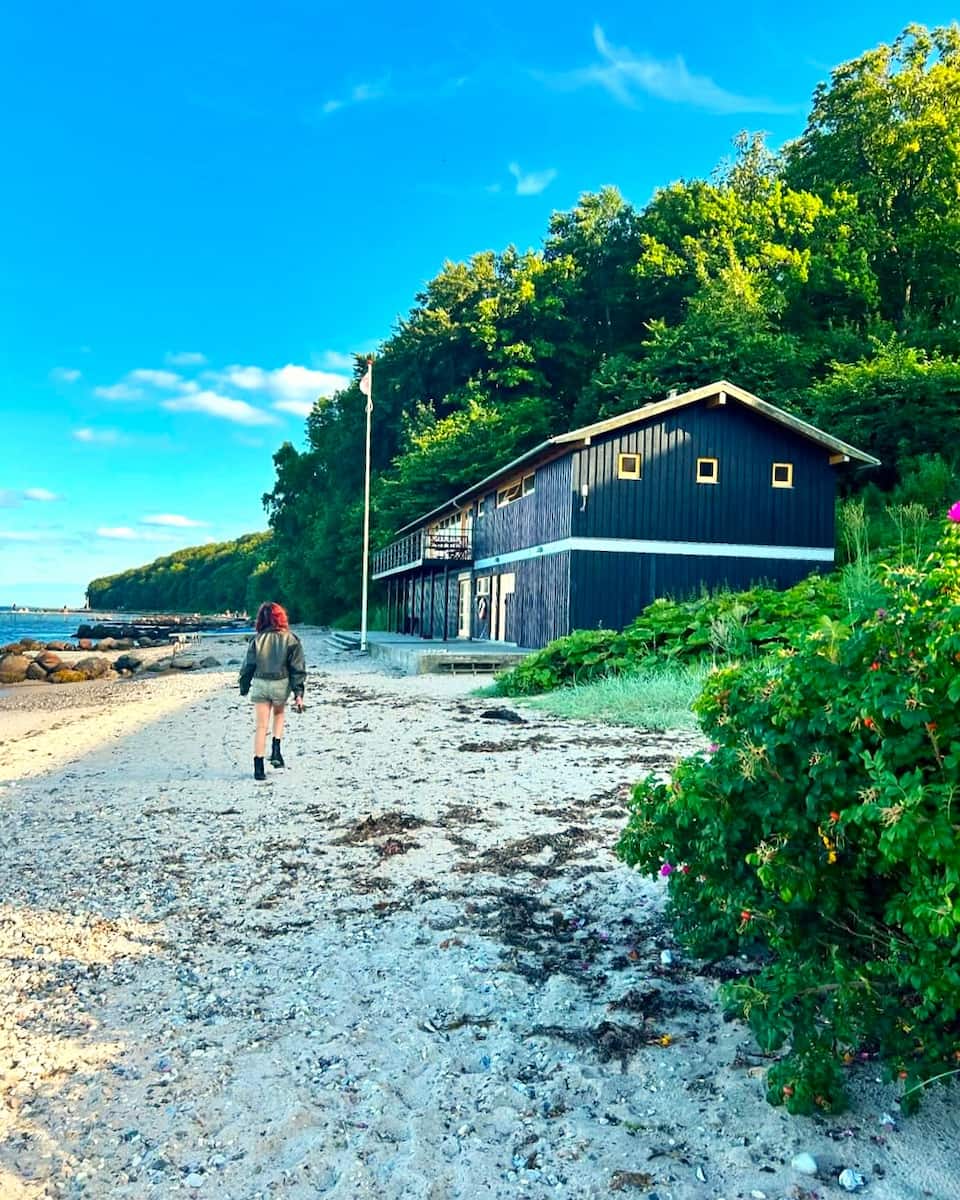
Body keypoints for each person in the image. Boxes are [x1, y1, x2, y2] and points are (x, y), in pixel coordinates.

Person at [239, 602, 306, 781]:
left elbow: (248, 666)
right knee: (278, 715)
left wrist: (244, 686)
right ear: (280, 617)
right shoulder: (291, 639)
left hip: (260, 682)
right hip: (280, 682)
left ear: (261, 618)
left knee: (261, 726)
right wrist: (298, 694)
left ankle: (258, 767)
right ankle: (276, 750)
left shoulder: (257, 639)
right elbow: (297, 668)